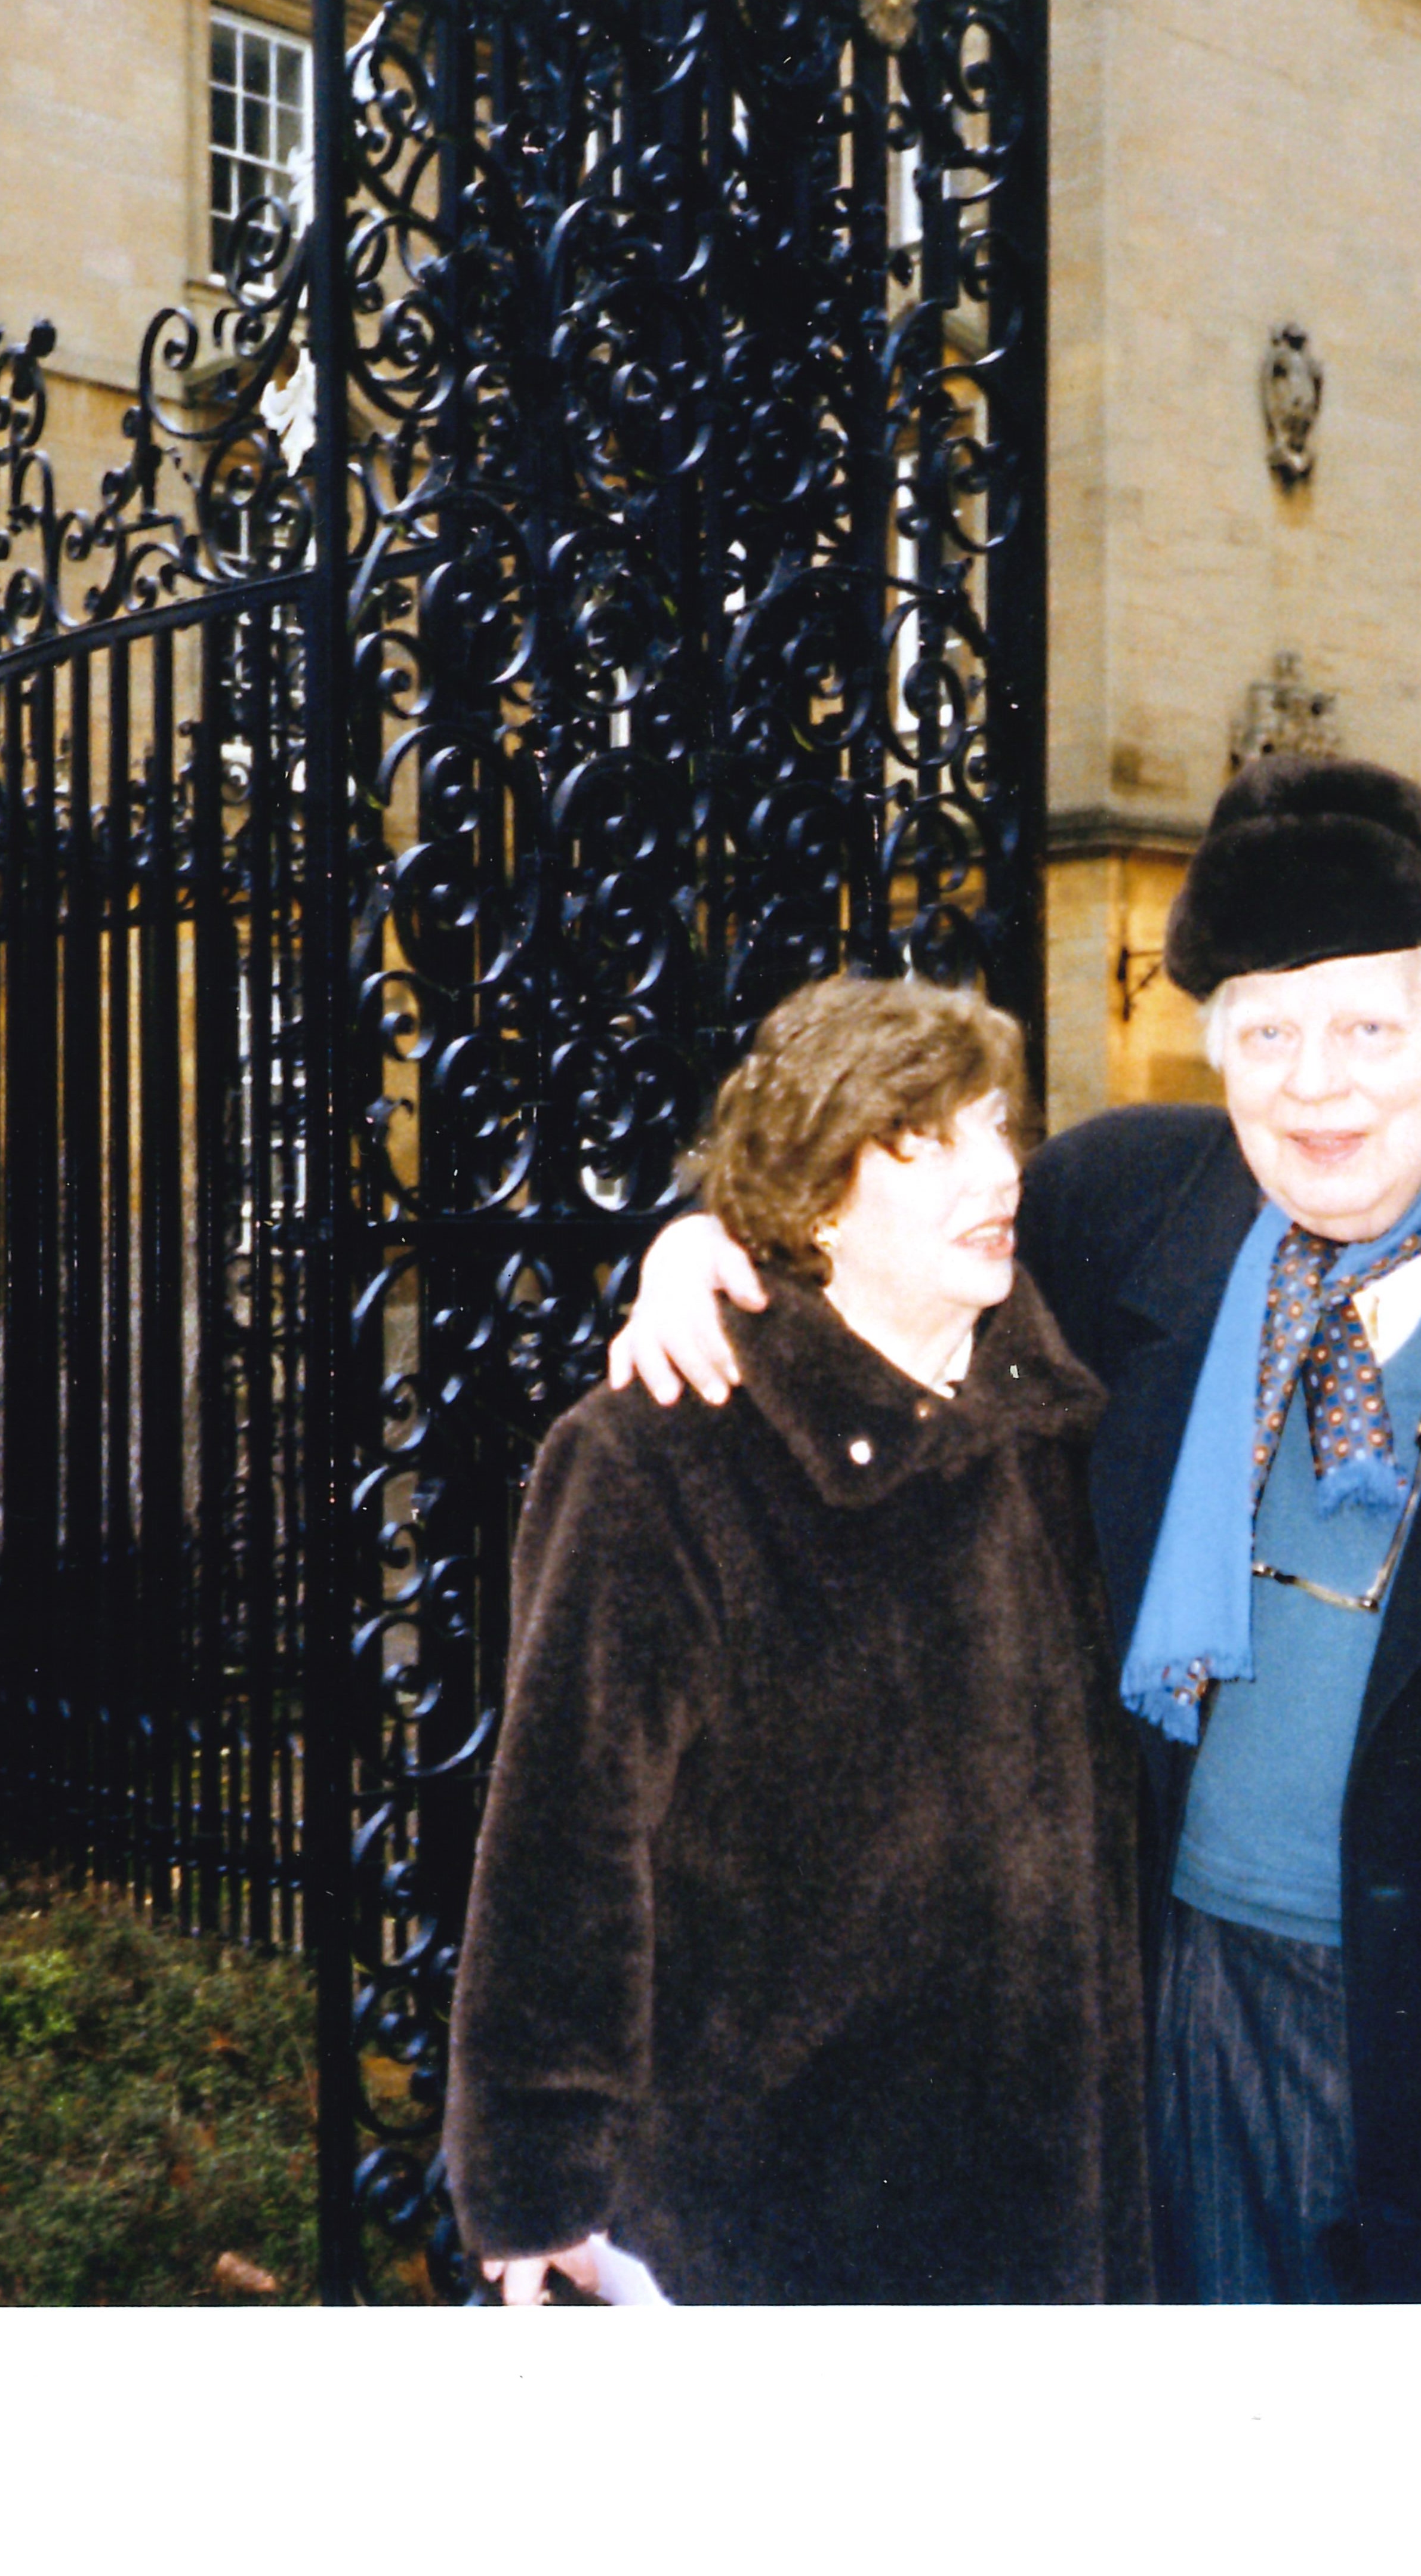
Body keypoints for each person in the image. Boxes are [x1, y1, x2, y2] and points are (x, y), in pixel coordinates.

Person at [610, 755, 1421, 2301]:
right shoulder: (1124, 1209)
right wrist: (707, 1244)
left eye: (1369, 1029)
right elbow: (882, 1244)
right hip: (1189, 1998)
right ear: (1219, 1055)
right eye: (1269, 1033)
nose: (1319, 1085)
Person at [442, 974, 1151, 2304]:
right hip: (769, 2203)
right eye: (923, 1141)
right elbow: (563, 1835)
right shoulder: (661, 1454)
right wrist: (537, 2178)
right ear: (818, 1195)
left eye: (995, 1128)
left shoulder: (1051, 1430)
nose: (993, 1171)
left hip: (1057, 2189)